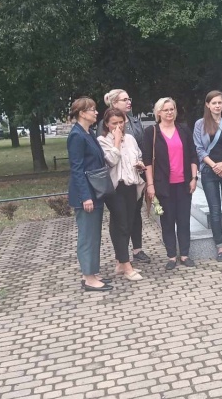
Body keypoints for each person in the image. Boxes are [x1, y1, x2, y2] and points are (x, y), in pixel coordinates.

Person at [142, 98, 199, 270]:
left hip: (183, 183)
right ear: (158, 112)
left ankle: (185, 255)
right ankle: (171, 256)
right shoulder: (151, 132)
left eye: (172, 109)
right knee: (167, 221)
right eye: (165, 109)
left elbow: (193, 155)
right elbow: (147, 162)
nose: (169, 112)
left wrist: (194, 178)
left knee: (183, 220)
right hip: (163, 185)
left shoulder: (183, 130)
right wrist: (150, 185)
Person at [98, 89, 151, 264]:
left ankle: (136, 250)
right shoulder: (104, 132)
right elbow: (109, 158)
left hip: (134, 179)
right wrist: (117, 139)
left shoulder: (134, 124)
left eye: (129, 98)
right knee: (120, 220)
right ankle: (122, 258)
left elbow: (139, 150)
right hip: (116, 183)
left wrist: (141, 164)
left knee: (134, 216)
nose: (129, 102)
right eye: (124, 99)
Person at [66, 97, 111, 292]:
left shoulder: (89, 132)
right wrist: (85, 196)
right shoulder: (76, 135)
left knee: (94, 235)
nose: (96, 112)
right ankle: (88, 278)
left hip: (96, 191)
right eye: (92, 109)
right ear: (82, 113)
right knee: (87, 236)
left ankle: (92, 272)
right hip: (86, 194)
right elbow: (77, 169)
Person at [193, 91, 222, 261]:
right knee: (214, 209)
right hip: (208, 171)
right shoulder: (200, 124)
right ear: (207, 105)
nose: (217, 106)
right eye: (214, 103)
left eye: (220, 102)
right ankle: (219, 246)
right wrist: (214, 166)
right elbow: (199, 148)